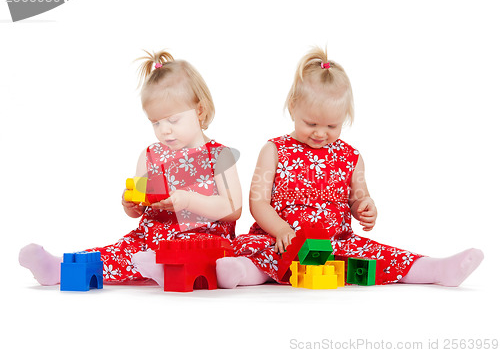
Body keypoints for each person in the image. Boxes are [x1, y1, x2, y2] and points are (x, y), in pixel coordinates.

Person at [216, 47, 484, 288]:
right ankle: (239, 272)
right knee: (257, 253)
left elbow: (358, 199)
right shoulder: (274, 150)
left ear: (344, 118)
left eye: (332, 126)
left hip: (335, 244)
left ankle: (436, 269)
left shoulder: (350, 156)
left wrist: (365, 207)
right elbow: (258, 203)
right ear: (293, 107)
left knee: (379, 256)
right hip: (281, 240)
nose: (321, 133)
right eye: (311, 124)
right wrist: (282, 230)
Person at [19, 50, 242, 286]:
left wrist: (188, 201)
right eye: (156, 122)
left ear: (200, 111)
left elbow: (232, 208)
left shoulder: (219, 155)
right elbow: (140, 204)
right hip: (150, 240)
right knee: (119, 251)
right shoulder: (151, 155)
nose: (164, 130)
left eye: (173, 120)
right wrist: (131, 204)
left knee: (191, 255)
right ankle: (59, 267)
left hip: (202, 241)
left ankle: (161, 269)